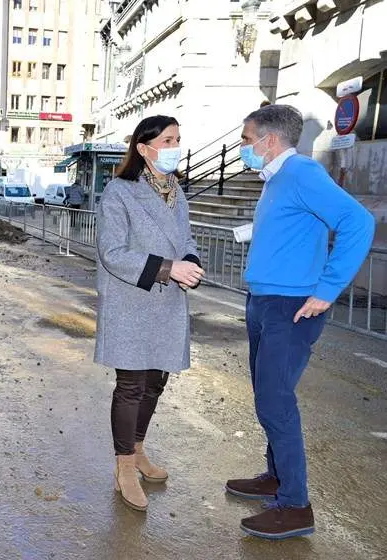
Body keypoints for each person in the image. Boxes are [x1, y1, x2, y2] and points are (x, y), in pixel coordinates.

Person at [226, 104, 375, 539]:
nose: (242, 147)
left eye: (246, 138)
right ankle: (276, 478)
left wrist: (327, 290)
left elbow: (358, 222)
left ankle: (295, 505)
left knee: (275, 401)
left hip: (289, 306)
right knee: (266, 396)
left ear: (269, 140)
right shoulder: (276, 180)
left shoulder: (302, 173)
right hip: (266, 300)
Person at [94, 115, 205, 511]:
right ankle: (124, 467)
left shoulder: (177, 192)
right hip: (131, 301)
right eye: (168, 139)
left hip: (167, 301)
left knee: (156, 382)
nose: (176, 145)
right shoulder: (119, 192)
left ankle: (138, 450)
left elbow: (187, 238)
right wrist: (167, 268)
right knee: (131, 386)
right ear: (144, 148)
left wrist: (189, 261)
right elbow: (112, 252)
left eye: (179, 137)